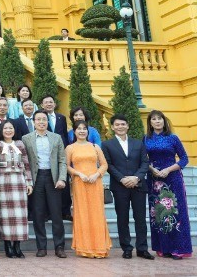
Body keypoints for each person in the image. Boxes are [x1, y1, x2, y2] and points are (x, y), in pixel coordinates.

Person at [101, 114, 154, 260]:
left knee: (140, 219)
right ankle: (127, 248)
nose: (120, 127)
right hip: (120, 186)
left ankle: (142, 249)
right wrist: (122, 179)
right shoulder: (107, 145)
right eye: (117, 125)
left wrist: (136, 177)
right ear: (112, 127)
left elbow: (145, 163)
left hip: (138, 185)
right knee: (122, 218)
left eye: (123, 124)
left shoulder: (139, 143)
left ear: (127, 126)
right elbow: (109, 165)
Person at [144, 110, 192, 259]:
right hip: (155, 180)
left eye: (160, 119)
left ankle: (179, 248)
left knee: (176, 213)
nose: (157, 121)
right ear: (150, 123)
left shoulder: (173, 138)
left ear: (164, 121)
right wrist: (152, 170)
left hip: (173, 178)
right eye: (154, 119)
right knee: (158, 213)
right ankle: (163, 248)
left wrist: (168, 170)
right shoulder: (146, 139)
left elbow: (184, 158)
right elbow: (142, 159)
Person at [22, 110, 67, 258]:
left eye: (44, 119)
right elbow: (24, 161)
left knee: (56, 214)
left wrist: (62, 178)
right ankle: (41, 247)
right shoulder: (26, 138)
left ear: (48, 122)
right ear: (33, 122)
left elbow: (62, 160)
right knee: (38, 214)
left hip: (53, 177)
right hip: (36, 178)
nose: (41, 122)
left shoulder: (56, 138)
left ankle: (59, 246)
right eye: (38, 119)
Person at [66, 120, 111, 258]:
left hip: (95, 183)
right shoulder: (70, 148)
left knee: (96, 214)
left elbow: (104, 165)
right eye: (78, 128)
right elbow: (67, 166)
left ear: (88, 131)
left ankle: (99, 247)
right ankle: (85, 247)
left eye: (84, 128)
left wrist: (97, 174)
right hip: (79, 183)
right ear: (74, 131)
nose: (81, 131)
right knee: (82, 214)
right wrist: (78, 173)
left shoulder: (95, 146)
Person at [0, 120, 33, 258]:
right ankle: (8, 245)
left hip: (19, 182)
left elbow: (26, 164)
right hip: (3, 182)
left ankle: (17, 246)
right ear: (1, 130)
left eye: (11, 128)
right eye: (5, 128)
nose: (8, 130)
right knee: (5, 216)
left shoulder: (20, 144)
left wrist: (29, 182)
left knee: (20, 216)